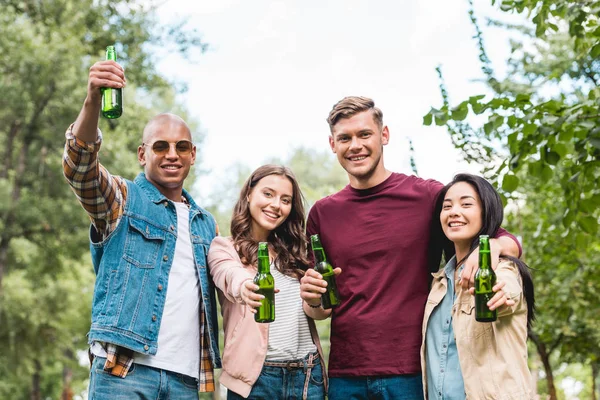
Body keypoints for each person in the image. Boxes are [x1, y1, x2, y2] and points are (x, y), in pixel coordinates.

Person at [299, 96, 522, 400]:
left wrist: (493, 248)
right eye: (345, 138)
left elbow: (505, 238)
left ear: (384, 135)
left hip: (413, 371)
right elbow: (321, 308)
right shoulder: (323, 214)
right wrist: (312, 299)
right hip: (345, 375)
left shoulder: (427, 197)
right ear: (332, 144)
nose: (355, 145)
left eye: (365, 134)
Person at [62, 58, 220, 399]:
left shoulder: (206, 225)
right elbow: (80, 169)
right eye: (160, 146)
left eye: (181, 147)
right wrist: (92, 99)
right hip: (123, 372)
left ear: (193, 154)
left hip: (185, 380)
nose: (172, 155)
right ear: (141, 154)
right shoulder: (123, 199)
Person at [207, 164, 327, 400]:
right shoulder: (225, 247)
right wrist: (246, 288)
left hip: (307, 376)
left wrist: (315, 301)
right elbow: (228, 274)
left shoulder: (296, 252)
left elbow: (320, 313)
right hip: (256, 380)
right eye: (268, 194)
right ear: (249, 194)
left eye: (285, 200)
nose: (275, 205)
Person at [422, 173, 535, 399]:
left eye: (466, 204)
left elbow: (507, 290)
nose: (454, 212)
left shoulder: (501, 269)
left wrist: (501, 296)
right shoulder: (438, 284)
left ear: (486, 213)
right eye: (447, 206)